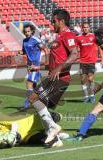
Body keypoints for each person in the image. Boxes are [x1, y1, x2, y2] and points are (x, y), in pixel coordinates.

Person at [28, 9, 79, 144]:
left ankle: (53, 127)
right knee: (38, 103)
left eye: (54, 21)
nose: (52, 23)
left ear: (61, 21)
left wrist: (59, 68)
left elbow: (75, 54)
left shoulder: (68, 35)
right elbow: (53, 65)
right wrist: (38, 68)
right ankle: (55, 137)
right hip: (52, 78)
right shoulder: (59, 37)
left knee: (34, 99)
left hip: (60, 79)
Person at [0, 109, 66, 148]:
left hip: (29, 122)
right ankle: (53, 134)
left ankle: (52, 129)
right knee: (44, 141)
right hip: (26, 137)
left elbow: (13, 122)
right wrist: (7, 143)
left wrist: (12, 134)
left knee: (57, 116)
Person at [76, 22, 103, 103]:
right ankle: (86, 96)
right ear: (82, 28)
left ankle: (92, 96)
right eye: (84, 27)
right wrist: (77, 56)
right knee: (83, 80)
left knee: (90, 79)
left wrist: (102, 58)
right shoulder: (78, 38)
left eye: (87, 27)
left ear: (89, 28)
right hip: (82, 62)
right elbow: (77, 49)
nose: (85, 28)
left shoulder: (94, 36)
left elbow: (99, 47)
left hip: (91, 61)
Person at [18, 24, 44, 110]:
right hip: (29, 64)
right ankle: (39, 101)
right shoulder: (24, 41)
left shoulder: (36, 40)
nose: (27, 33)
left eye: (28, 31)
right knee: (34, 85)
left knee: (29, 83)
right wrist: (20, 53)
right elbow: (24, 51)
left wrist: (40, 59)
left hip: (35, 64)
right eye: (25, 32)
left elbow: (44, 48)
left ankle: (27, 105)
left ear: (32, 31)